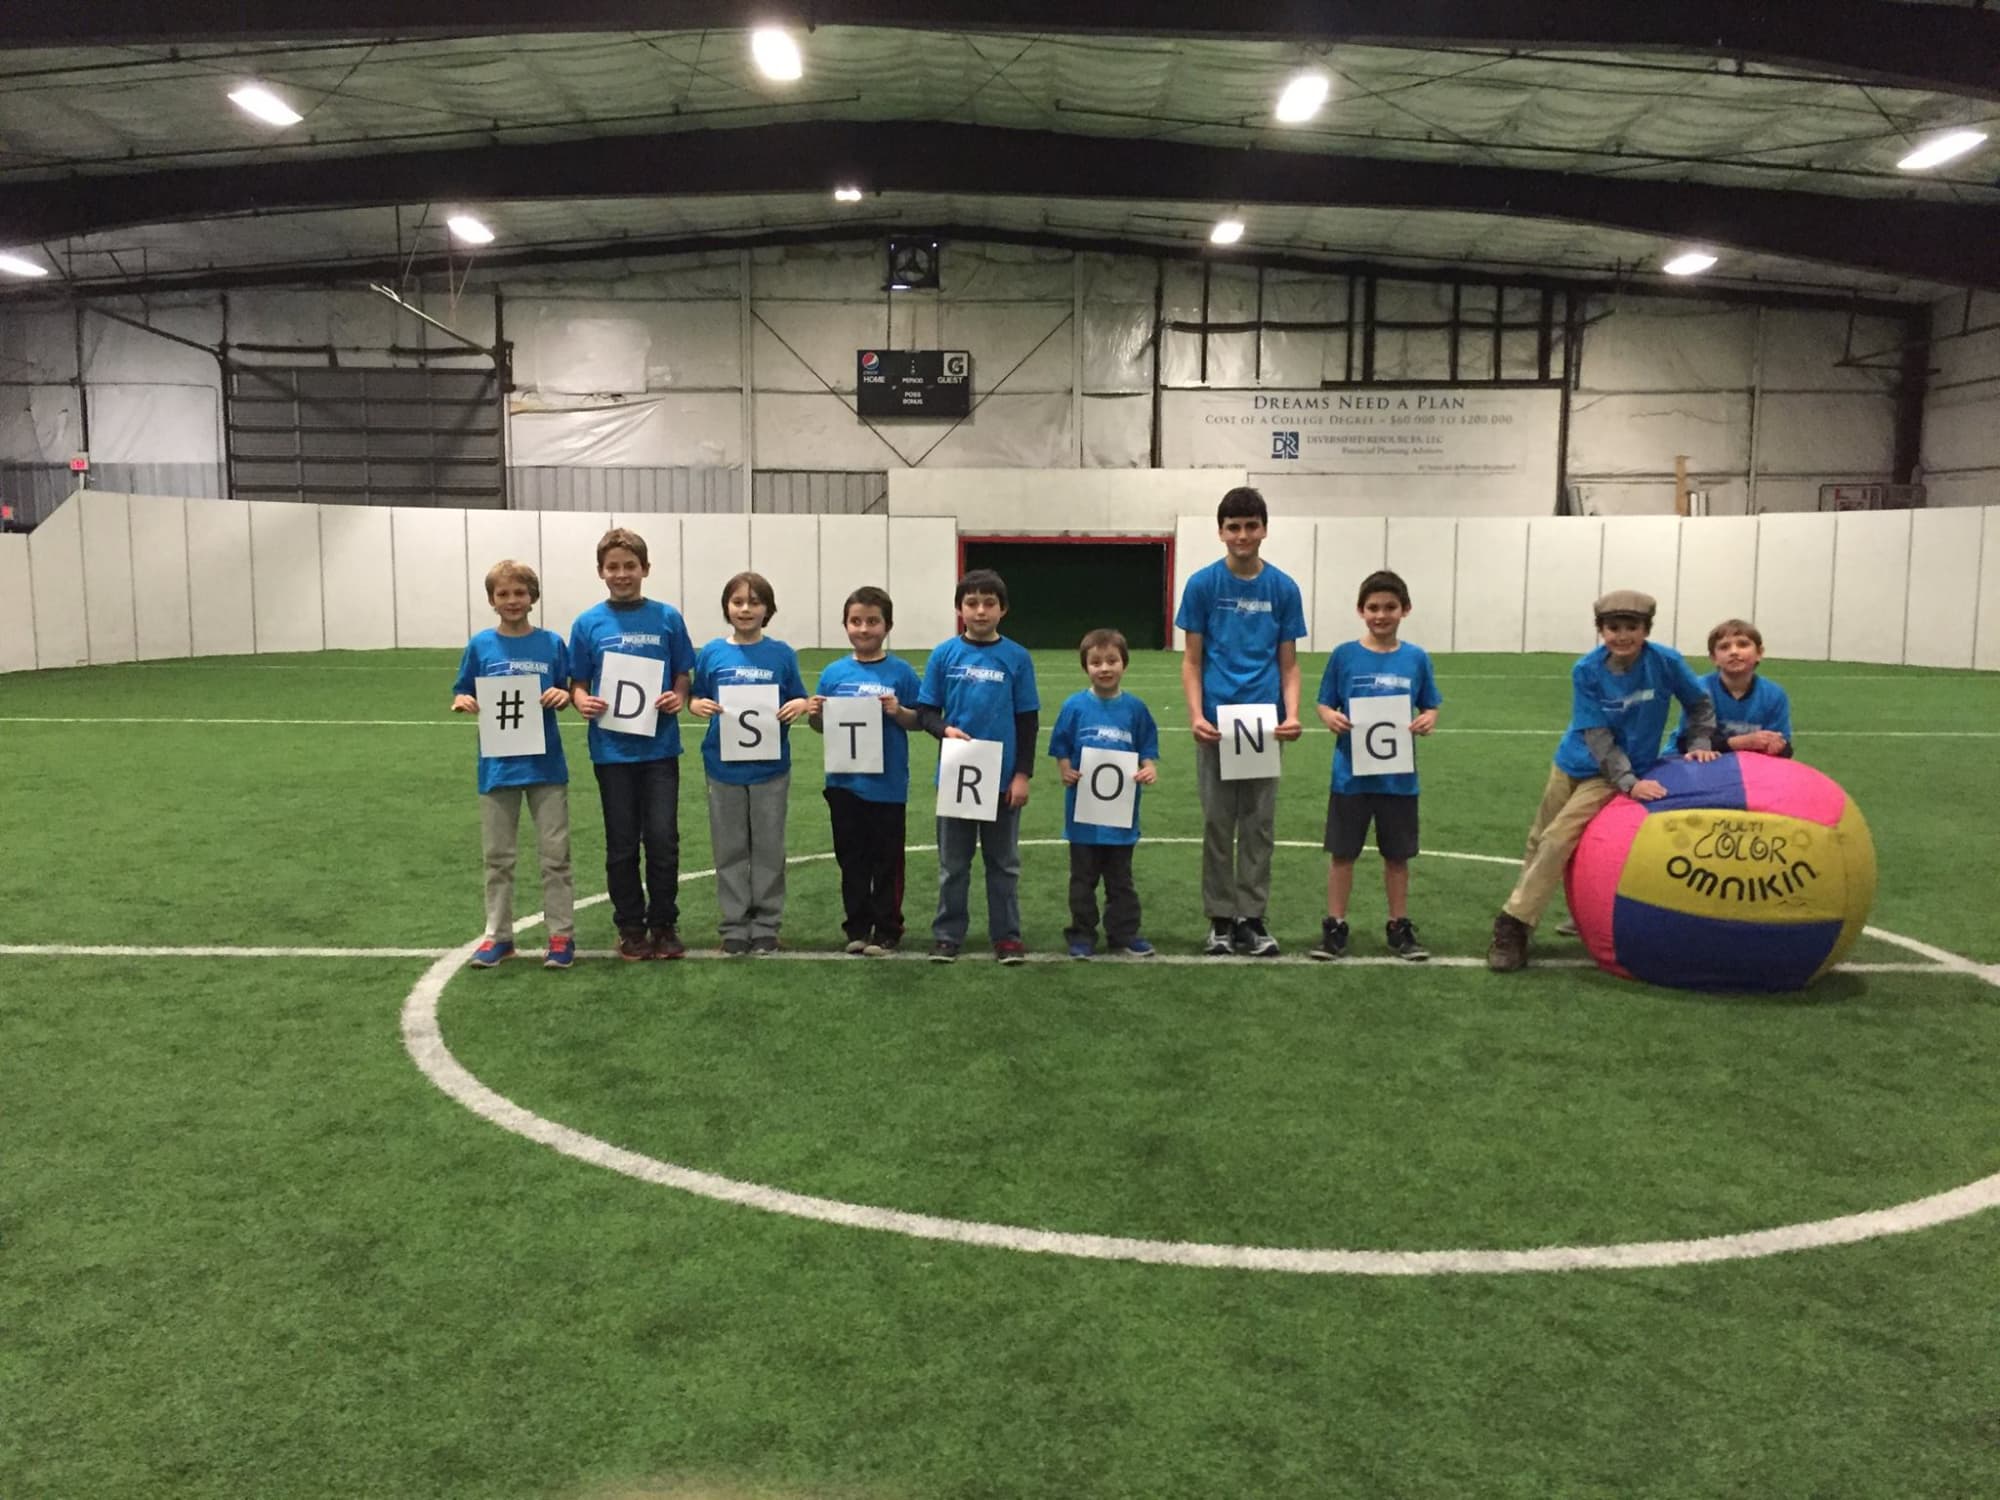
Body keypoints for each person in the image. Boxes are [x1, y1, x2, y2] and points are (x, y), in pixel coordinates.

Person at [1488, 589, 1721, 972]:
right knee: (1538, 840)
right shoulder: (1586, 670)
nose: (1622, 636)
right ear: (1601, 630)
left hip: (1612, 774)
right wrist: (1629, 780)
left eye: (1632, 627)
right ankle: (1526, 923)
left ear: (1646, 630)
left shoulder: (1666, 662)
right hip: (1572, 762)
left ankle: (1511, 924)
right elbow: (1595, 732)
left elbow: (1699, 702)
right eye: (1613, 628)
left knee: (1558, 838)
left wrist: (1698, 743)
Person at [1175, 486, 1308, 957]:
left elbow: (1289, 664)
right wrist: (1196, 715)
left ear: (1264, 529)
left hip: (1264, 724)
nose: (1243, 535)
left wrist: (1292, 714)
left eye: (1251, 526)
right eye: (1233, 527)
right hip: (1217, 724)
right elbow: (1192, 661)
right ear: (1220, 532)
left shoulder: (1283, 588)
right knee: (1218, 822)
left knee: (1258, 824)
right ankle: (1219, 919)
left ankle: (1251, 918)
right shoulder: (1202, 585)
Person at [567, 527, 697, 962]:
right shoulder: (587, 623)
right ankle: (630, 927)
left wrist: (677, 695)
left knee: (662, 840)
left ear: (645, 568)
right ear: (600, 572)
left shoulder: (667, 618)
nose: (622, 574)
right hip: (612, 752)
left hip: (660, 750)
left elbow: (682, 673)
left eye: (630, 566)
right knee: (621, 844)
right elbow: (577, 682)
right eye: (613, 567)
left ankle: (664, 923)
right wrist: (582, 700)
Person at [1309, 570, 1442, 962]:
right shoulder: (1344, 655)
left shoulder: (1416, 658)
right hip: (1350, 776)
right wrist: (1329, 717)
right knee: (1343, 854)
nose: (1381, 615)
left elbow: (1430, 704)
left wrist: (1428, 719)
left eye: (1389, 607)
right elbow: (1324, 702)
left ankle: (1398, 926)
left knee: (1397, 856)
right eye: (1373, 608)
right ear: (1360, 610)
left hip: (1398, 779)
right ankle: (1335, 925)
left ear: (1405, 610)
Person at [451, 559, 576, 969]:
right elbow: (463, 689)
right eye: (502, 594)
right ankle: (498, 936)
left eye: (519, 592)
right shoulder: (480, 646)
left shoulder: (552, 644)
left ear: (533, 597)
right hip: (497, 766)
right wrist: (463, 700)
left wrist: (563, 695)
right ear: (491, 600)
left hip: (545, 767)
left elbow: (569, 689)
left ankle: (561, 935)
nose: (512, 600)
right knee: (498, 857)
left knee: (555, 857)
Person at [913, 568, 1039, 965]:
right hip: (957, 776)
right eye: (972, 603)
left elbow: (1028, 721)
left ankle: (1007, 937)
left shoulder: (1017, 657)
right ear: (959, 609)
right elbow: (926, 711)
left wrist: (1022, 774)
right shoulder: (944, 655)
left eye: (989, 603)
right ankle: (948, 935)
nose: (980, 610)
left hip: (1002, 780)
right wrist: (944, 730)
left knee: (1003, 864)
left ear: (1003, 609)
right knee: (953, 864)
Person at [688, 571, 810, 955]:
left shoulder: (782, 654)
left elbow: (800, 697)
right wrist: (696, 705)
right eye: (738, 602)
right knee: (729, 848)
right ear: (727, 607)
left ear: (767, 609)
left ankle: (767, 925)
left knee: (769, 848)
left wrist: (799, 705)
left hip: (770, 768)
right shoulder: (711, 653)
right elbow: (696, 695)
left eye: (754, 602)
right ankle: (734, 926)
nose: (745, 609)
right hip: (722, 767)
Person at [807, 586, 923, 956]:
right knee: (851, 859)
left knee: (887, 861)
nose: (864, 629)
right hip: (843, 783)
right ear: (845, 625)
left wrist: (899, 712)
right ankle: (856, 926)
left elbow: (920, 720)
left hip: (887, 785)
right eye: (856, 621)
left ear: (887, 626)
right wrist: (816, 715)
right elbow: (820, 727)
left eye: (872, 621)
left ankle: (888, 928)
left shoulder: (902, 673)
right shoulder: (833, 673)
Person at [1049, 627, 1161, 960]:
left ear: (1124, 663)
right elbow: (1061, 746)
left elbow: (1147, 747)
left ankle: (1124, 934)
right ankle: (1082, 935)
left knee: (1120, 880)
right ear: (1085, 667)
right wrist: (1065, 770)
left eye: (1112, 661)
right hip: (1083, 818)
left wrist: (1149, 768)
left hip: (1121, 818)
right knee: (1082, 880)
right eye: (1096, 662)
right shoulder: (1074, 706)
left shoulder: (1136, 709)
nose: (1105, 668)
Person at [1681, 618, 1793, 757]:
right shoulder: (1700, 689)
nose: (1734, 651)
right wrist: (1741, 742)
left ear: (1759, 653)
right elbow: (1686, 743)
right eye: (1724, 647)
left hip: (1748, 764)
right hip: (1698, 761)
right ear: (1714, 658)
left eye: (1743, 645)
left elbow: (1785, 749)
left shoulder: (1774, 694)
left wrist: (1777, 746)